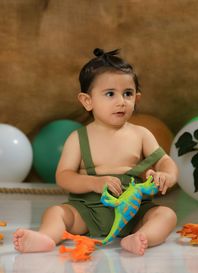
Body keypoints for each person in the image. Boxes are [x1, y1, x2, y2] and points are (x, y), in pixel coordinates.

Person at [13, 48, 178, 255]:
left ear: (137, 98)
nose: (121, 101)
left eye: (128, 94)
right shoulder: (78, 138)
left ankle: (141, 236)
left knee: (166, 214)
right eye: (110, 94)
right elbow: (64, 176)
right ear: (87, 101)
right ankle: (46, 237)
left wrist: (166, 175)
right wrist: (94, 182)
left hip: (134, 211)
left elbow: (165, 161)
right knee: (57, 212)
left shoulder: (141, 134)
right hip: (88, 210)